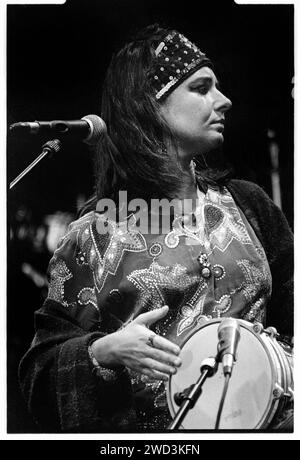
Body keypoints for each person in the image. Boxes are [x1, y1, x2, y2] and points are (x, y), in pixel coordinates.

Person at [18, 24, 293, 433]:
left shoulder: (250, 205)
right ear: (150, 104)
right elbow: (38, 373)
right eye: (201, 88)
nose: (224, 100)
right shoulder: (92, 236)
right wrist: (101, 351)